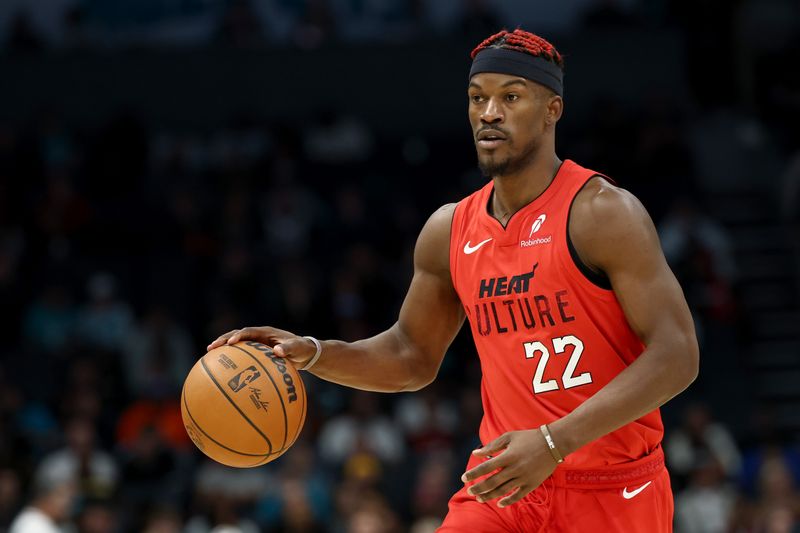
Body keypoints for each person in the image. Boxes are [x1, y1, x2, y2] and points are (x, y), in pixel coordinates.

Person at [209, 28, 699, 532]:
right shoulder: (450, 229)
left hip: (612, 488)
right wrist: (314, 352)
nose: (489, 113)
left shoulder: (601, 213)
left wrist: (554, 441)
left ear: (553, 109)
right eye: (477, 97)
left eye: (510, 97)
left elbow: (678, 354)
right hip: (503, 483)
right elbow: (410, 356)